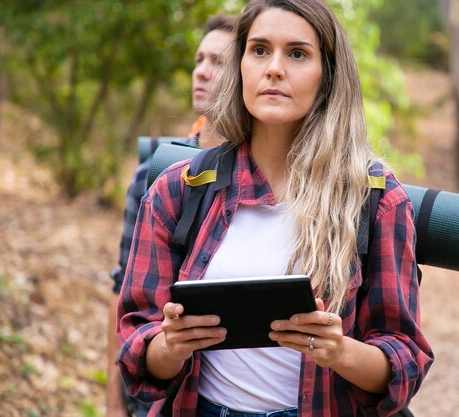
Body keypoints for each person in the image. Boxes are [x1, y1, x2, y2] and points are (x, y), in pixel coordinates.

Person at [117, 1, 433, 416]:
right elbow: (136, 350)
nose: (274, 68)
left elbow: (404, 362)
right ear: (241, 65)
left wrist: (339, 351)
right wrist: (170, 344)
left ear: (328, 76)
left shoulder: (374, 199)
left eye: (298, 53)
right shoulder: (178, 191)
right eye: (260, 50)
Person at [106, 14, 237, 417]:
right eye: (199, 59)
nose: (201, 71)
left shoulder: (268, 176)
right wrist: (113, 405)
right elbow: (124, 297)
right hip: (157, 395)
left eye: (217, 61)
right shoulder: (157, 173)